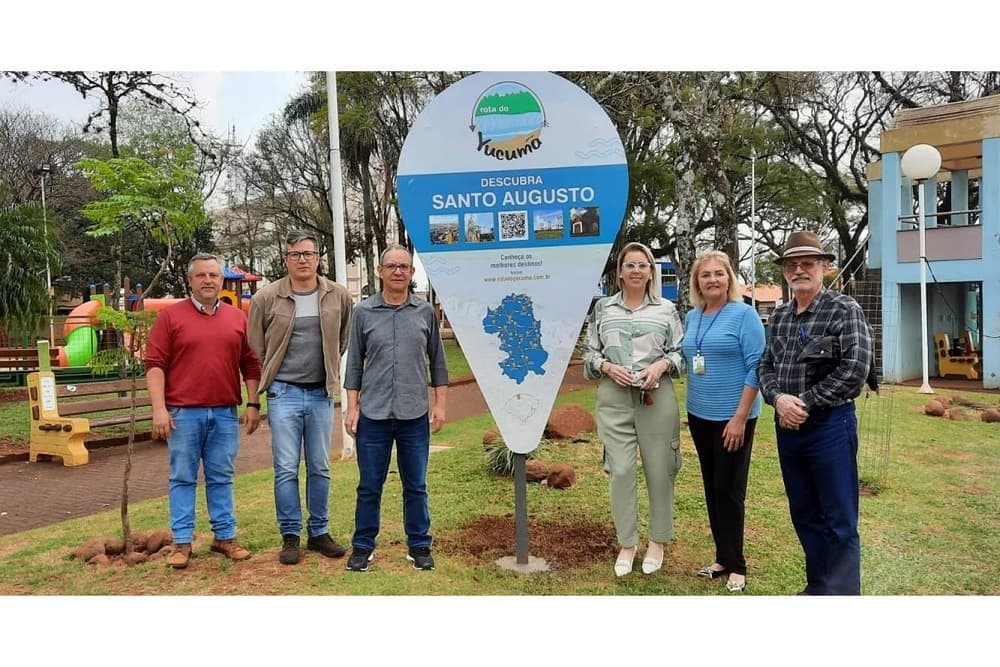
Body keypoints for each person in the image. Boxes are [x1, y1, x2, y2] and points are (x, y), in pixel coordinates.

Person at [758, 230, 873, 595]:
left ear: (825, 266)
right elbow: (765, 367)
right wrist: (778, 399)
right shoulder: (779, 317)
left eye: (808, 263)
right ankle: (818, 588)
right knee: (805, 513)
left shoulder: (844, 310)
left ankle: (841, 597)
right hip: (788, 427)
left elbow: (855, 369)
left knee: (839, 518)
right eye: (791, 265)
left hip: (830, 426)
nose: (799, 270)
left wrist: (803, 402)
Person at [146, 253, 262, 570]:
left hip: (224, 413)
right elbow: (155, 365)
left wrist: (253, 403)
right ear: (190, 280)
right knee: (183, 477)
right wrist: (159, 409)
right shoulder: (170, 317)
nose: (208, 280)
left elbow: (250, 363)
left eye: (213, 275)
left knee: (221, 477)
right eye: (201, 275)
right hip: (183, 414)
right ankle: (182, 542)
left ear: (221, 279)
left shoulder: (237, 318)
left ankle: (224, 537)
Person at [248, 230, 353, 565]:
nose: (302, 260)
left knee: (320, 466)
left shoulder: (337, 295)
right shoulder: (267, 298)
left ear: (318, 258)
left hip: (321, 394)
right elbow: (256, 344)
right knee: (285, 468)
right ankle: (290, 535)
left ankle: (319, 532)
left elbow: (343, 339)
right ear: (286, 259)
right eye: (295, 254)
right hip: (284, 393)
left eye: (308, 254)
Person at [343, 244, 448, 572]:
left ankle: (419, 545)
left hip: (413, 415)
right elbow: (354, 365)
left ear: (412, 273)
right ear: (380, 271)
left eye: (404, 266)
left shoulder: (424, 313)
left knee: (415, 485)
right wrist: (351, 408)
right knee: (369, 486)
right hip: (373, 415)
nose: (398, 271)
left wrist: (440, 405)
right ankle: (363, 547)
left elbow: (438, 363)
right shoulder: (363, 313)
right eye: (391, 266)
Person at [583, 241, 685, 577]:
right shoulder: (603, 309)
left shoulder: (666, 309)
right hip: (614, 399)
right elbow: (589, 354)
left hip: (656, 398)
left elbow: (680, 352)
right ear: (620, 272)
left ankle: (657, 541)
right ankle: (627, 543)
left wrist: (661, 365)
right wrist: (607, 367)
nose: (637, 270)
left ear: (651, 271)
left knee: (660, 469)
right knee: (621, 471)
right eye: (631, 265)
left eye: (643, 265)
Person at [681, 250, 766, 593]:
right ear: (697, 282)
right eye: (705, 275)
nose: (712, 279)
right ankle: (722, 557)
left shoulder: (745, 315)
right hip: (699, 415)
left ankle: (737, 566)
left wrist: (740, 417)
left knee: (730, 491)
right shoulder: (693, 316)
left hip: (733, 418)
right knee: (712, 488)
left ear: (729, 278)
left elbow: (757, 366)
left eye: (719, 273)